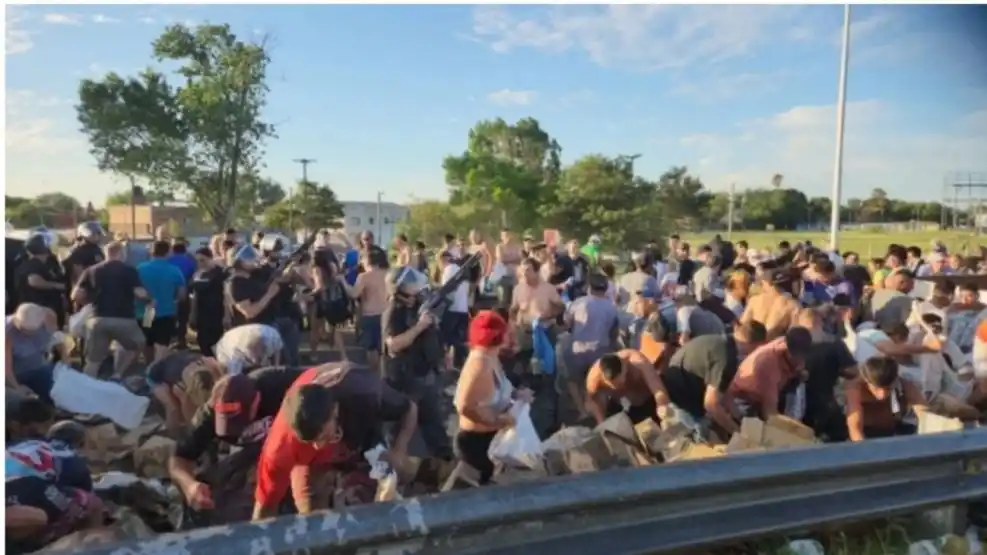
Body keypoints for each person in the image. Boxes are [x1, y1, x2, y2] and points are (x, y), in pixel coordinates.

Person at [252, 362, 418, 519]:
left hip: (363, 435)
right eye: (310, 441)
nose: (318, 446)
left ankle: (427, 477)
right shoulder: (280, 447)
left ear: (335, 411)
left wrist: (399, 450)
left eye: (322, 437)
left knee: (394, 478)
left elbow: (410, 409)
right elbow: (265, 506)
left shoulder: (363, 392)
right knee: (312, 515)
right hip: (310, 459)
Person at [167, 367, 305, 523]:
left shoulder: (280, 385)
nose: (232, 428)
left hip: (298, 447)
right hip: (256, 452)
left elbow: (322, 377)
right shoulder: (209, 413)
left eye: (237, 422)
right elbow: (178, 457)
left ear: (256, 401)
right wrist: (189, 485)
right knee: (220, 491)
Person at [382, 266, 454, 460]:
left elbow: (432, 333)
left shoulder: (417, 306)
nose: (415, 287)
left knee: (434, 425)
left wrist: (442, 353)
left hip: (423, 374)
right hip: (403, 378)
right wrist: (419, 327)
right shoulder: (394, 312)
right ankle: (393, 467)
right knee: (399, 430)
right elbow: (394, 345)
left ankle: (443, 462)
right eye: (409, 284)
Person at [454, 311, 532, 484]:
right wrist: (497, 421)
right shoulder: (480, 363)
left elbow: (499, 388)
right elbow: (464, 406)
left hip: (492, 440)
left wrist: (517, 394)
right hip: (476, 445)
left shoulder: (491, 356)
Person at [72, 241, 150, 377]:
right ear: (121, 253)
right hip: (124, 319)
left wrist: (89, 302)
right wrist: (150, 299)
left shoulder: (91, 270)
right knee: (138, 344)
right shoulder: (129, 270)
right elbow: (140, 293)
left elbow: (75, 295)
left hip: (98, 318)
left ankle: (86, 383)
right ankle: (118, 374)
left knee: (93, 360)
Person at [659, 334, 741, 436]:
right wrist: (738, 432)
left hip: (680, 382)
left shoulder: (720, 342)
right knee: (703, 436)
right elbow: (711, 405)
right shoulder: (727, 359)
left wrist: (739, 417)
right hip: (679, 398)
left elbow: (722, 389)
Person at [562, 273, 619, 418]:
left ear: (589, 287)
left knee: (573, 381)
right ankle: (601, 413)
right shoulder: (611, 308)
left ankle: (582, 411)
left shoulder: (578, 303)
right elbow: (614, 333)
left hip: (578, 350)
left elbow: (566, 324)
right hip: (600, 350)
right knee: (601, 384)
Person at [728, 327, 815, 420]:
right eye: (796, 356)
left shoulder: (787, 343)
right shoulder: (768, 364)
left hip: (773, 390)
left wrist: (798, 373)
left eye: (802, 356)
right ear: (787, 348)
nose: (799, 360)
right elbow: (770, 413)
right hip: (744, 400)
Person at [845, 357, 928, 441]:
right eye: (876, 389)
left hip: (893, 432)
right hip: (865, 434)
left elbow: (925, 414)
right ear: (866, 380)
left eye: (888, 389)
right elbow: (855, 427)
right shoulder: (855, 388)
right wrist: (865, 448)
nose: (882, 395)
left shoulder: (904, 385)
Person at [146, 351, 225, 432]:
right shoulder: (180, 389)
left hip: (183, 359)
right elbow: (192, 423)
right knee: (173, 407)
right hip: (156, 376)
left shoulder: (214, 369)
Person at [584, 349, 665, 425]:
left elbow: (658, 389)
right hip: (621, 406)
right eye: (616, 384)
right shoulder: (593, 381)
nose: (622, 384)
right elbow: (598, 413)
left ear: (624, 365)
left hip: (647, 398)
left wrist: (663, 408)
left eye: (624, 378)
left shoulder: (637, 361)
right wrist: (603, 424)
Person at [137, 240, 187, 363]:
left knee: (148, 340)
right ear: (168, 252)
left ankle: (149, 365)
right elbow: (182, 294)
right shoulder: (174, 270)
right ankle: (156, 367)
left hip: (147, 311)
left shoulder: (140, 268)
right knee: (162, 343)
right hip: (166, 312)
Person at [339, 249, 388, 371]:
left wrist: (343, 281)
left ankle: (375, 373)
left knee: (371, 348)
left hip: (370, 315)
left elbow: (354, 293)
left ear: (368, 261)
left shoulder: (364, 277)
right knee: (385, 348)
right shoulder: (388, 274)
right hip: (386, 314)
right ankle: (384, 373)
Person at [6, 303, 63, 403]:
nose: (29, 335)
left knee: (60, 392)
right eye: (25, 331)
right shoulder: (6, 331)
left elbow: (57, 338)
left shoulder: (49, 316)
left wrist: (65, 359)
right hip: (16, 374)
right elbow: (6, 368)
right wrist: (17, 388)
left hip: (39, 366)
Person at [15, 231, 67, 328]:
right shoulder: (33, 264)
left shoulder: (45, 263)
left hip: (47, 306)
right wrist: (57, 286)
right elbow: (34, 281)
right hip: (38, 307)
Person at [188, 248, 227, 357]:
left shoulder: (220, 273)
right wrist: (192, 315)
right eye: (197, 261)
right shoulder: (197, 275)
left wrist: (227, 315)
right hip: (201, 315)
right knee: (203, 343)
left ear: (211, 258)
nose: (200, 263)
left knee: (216, 343)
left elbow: (227, 295)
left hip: (217, 313)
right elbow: (194, 295)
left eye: (203, 260)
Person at [439, 250, 471, 371]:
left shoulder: (448, 270)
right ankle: (462, 366)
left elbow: (445, 291)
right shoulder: (462, 270)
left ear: (443, 260)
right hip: (463, 309)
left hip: (452, 310)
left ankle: (447, 367)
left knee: (447, 339)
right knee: (461, 341)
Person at [214, 323, 284, 375]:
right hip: (224, 347)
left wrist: (276, 368)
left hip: (257, 330)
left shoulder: (272, 336)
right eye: (255, 357)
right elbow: (234, 378)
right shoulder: (235, 355)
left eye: (259, 357)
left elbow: (277, 349)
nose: (257, 359)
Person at [61, 221, 105, 287]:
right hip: (85, 287)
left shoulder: (96, 248)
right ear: (84, 235)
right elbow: (79, 276)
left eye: (98, 233)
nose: (97, 236)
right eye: (93, 234)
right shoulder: (77, 251)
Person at [494, 228, 524, 309]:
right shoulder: (499, 246)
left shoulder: (518, 246)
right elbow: (501, 259)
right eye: (505, 235)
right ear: (501, 237)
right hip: (503, 276)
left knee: (514, 298)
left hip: (515, 275)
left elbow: (521, 259)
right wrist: (514, 259)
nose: (507, 237)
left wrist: (508, 259)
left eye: (508, 235)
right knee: (504, 299)